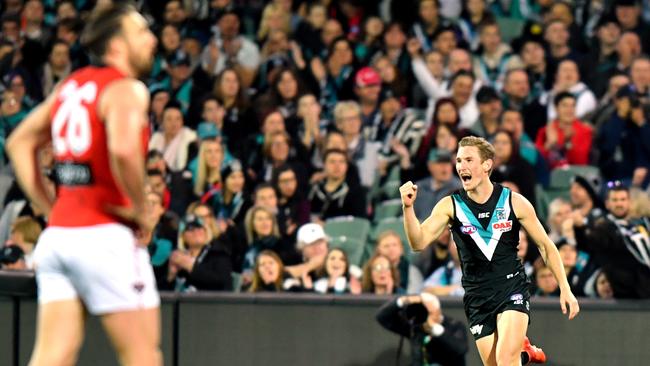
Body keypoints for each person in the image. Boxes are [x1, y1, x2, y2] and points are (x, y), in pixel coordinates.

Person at [5, 4, 161, 365]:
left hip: (59, 239)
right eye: (141, 32)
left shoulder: (69, 87)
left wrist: (49, 209)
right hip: (106, 237)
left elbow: (18, 143)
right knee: (142, 355)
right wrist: (141, 209)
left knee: (51, 357)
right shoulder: (127, 89)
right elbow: (123, 149)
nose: (152, 39)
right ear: (117, 44)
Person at [400, 136, 580, 365]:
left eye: (468, 160)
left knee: (505, 361)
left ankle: (518, 355)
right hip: (477, 296)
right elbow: (418, 242)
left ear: (487, 165)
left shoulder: (514, 202)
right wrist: (408, 208)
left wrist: (565, 288)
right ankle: (523, 355)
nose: (461, 166)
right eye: (458, 160)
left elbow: (546, 246)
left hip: (510, 288)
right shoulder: (450, 205)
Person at [376, 291, 469, 366]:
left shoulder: (454, 325)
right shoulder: (416, 327)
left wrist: (435, 329)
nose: (422, 314)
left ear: (437, 310)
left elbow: (460, 349)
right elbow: (382, 317)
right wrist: (403, 300)